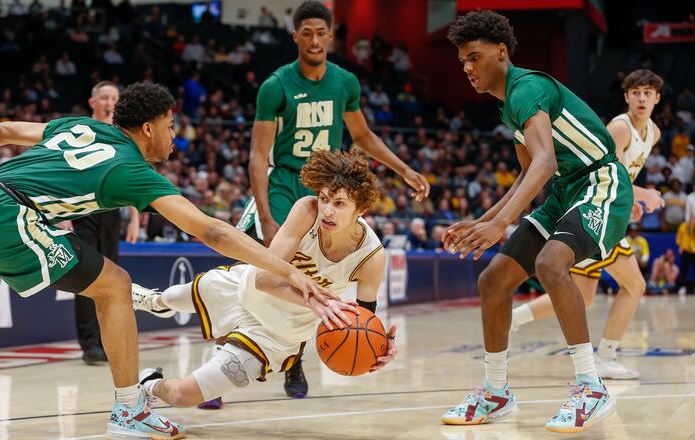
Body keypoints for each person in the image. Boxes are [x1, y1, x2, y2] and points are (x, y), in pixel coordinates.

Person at [0, 82, 332, 439]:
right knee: (115, 284)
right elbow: (213, 231)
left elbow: (1, 129)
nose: (173, 135)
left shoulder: (81, 126)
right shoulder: (132, 170)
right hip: (4, 214)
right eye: (169, 126)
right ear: (148, 128)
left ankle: (129, 408)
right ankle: (130, 410)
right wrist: (288, 269)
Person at [441, 11, 632, 432]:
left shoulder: (526, 88)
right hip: (564, 193)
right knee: (493, 282)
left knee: (549, 263)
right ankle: (496, 393)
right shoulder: (510, 107)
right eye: (462, 62)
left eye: (474, 57)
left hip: (599, 183)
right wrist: (485, 219)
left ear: (502, 52)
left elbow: (543, 162)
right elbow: (532, 177)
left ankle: (591, 386)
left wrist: (499, 226)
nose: (468, 68)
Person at [236, 0, 428, 400]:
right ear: (296, 37)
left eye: (321, 32)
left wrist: (403, 169)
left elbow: (363, 137)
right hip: (285, 182)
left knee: (315, 280)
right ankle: (226, 351)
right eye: (306, 32)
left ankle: (296, 359)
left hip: (327, 186)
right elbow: (257, 155)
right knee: (253, 272)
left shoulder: (345, 83)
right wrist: (268, 215)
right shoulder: (276, 86)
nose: (314, 39)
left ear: (331, 36)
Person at [132, 150, 397, 408]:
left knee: (183, 397)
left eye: (339, 204)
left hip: (275, 336)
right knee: (170, 298)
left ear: (360, 209)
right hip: (243, 288)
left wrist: (379, 347)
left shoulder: (371, 258)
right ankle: (155, 302)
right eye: (325, 198)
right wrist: (316, 302)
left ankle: (147, 384)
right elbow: (263, 280)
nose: (327, 210)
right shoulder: (307, 210)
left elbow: (364, 321)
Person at [511, 69, 665, 380]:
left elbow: (623, 180)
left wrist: (629, 202)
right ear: (626, 97)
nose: (642, 97)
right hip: (592, 203)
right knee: (634, 284)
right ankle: (606, 356)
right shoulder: (620, 128)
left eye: (648, 92)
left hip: (606, 204)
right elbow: (608, 170)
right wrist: (643, 194)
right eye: (636, 92)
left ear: (657, 98)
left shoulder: (654, 132)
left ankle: (512, 318)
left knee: (583, 294)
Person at [64, 81, 142, 365]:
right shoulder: (80, 132)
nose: (110, 102)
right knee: (87, 278)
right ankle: (89, 344)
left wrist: (134, 217)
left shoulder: (123, 136)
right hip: (81, 210)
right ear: (93, 102)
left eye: (114, 98)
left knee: (111, 281)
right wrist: (64, 217)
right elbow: (66, 173)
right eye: (104, 97)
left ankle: (107, 342)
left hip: (111, 212)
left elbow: (133, 176)